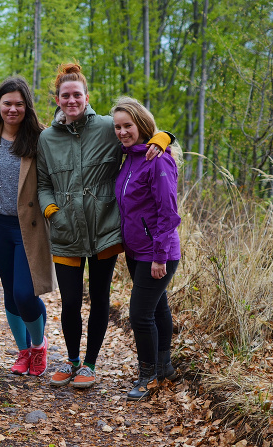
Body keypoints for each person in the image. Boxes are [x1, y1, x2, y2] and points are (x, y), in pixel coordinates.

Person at [37, 62, 172, 389]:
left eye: (77, 95)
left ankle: (91, 364)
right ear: (57, 99)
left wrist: (165, 138)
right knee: (69, 301)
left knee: (99, 298)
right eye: (65, 95)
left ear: (86, 96)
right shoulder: (46, 138)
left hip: (105, 232)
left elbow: (143, 133)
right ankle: (71, 360)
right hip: (66, 231)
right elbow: (42, 184)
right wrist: (54, 212)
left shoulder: (108, 127)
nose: (72, 100)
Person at [0, 77, 55, 377]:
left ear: (27, 107)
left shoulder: (41, 138)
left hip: (30, 228)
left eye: (19, 104)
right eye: (7, 103)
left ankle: (38, 347)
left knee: (26, 293)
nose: (13, 109)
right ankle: (23, 352)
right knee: (10, 294)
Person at [112, 97, 181, 400]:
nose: (122, 131)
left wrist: (159, 256)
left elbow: (168, 213)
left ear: (141, 125)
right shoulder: (129, 157)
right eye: (118, 127)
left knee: (140, 314)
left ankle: (148, 375)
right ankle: (164, 366)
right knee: (157, 307)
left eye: (128, 125)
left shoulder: (158, 159)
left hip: (157, 251)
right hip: (135, 249)